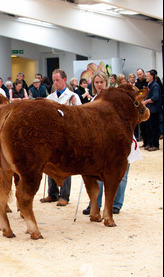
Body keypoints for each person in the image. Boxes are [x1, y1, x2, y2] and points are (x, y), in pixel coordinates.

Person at [82, 71, 139, 215]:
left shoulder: (115, 98)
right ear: (93, 84)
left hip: (119, 140)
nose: (99, 85)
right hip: (99, 143)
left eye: (101, 82)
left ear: (106, 83)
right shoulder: (93, 100)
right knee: (97, 174)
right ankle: (95, 203)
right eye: (96, 82)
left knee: (121, 173)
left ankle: (116, 204)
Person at [40, 69, 81, 207]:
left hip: (67, 135)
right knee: (50, 163)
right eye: (54, 80)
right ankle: (52, 193)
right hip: (52, 136)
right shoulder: (50, 98)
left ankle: (64, 195)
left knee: (64, 165)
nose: (55, 83)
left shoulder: (73, 97)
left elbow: (79, 116)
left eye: (58, 80)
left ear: (64, 80)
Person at [143, 70, 162, 151]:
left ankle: (155, 144)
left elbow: (155, 97)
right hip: (150, 110)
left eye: (147, 76)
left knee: (154, 128)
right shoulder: (149, 85)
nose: (145, 77)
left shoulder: (155, 86)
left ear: (152, 77)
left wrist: (146, 101)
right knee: (149, 128)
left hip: (154, 111)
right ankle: (150, 143)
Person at [135, 68, 148, 142]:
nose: (139, 76)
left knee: (148, 126)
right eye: (138, 75)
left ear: (143, 73)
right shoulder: (137, 83)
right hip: (140, 105)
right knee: (142, 125)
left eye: (140, 74)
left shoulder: (147, 82)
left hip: (147, 104)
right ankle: (145, 142)